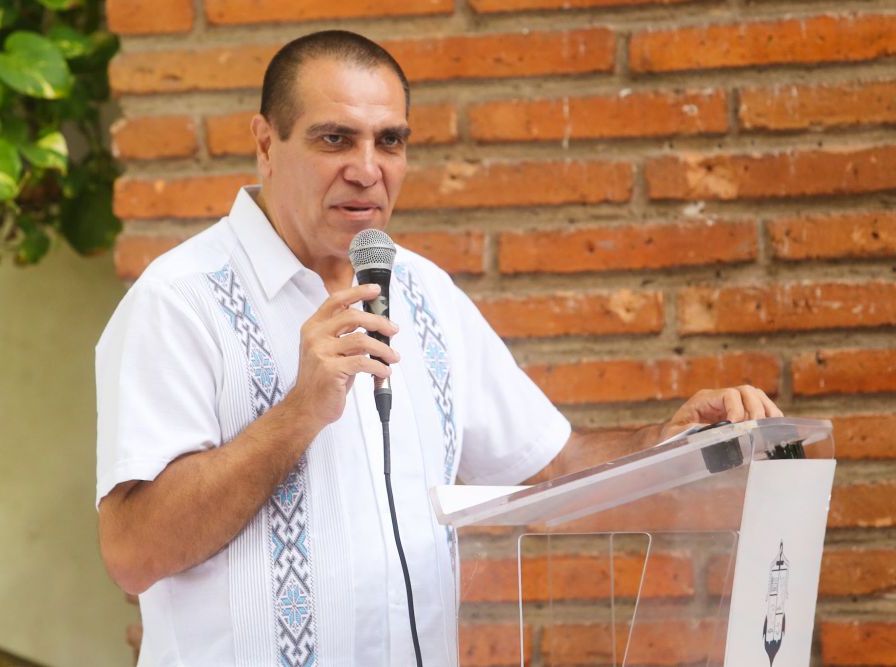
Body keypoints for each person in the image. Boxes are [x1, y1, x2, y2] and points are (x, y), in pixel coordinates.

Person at [95, 30, 783, 666]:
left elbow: (551, 465)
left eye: (390, 141)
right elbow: (131, 553)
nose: (368, 170)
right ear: (266, 144)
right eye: (335, 139)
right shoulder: (182, 299)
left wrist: (670, 441)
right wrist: (299, 412)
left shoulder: (424, 292)